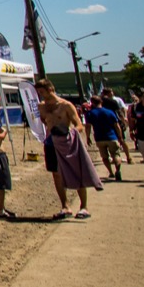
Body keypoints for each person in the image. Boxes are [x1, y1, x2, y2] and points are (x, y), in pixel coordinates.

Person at [35, 78, 99, 218]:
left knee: (75, 172)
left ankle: (84, 206)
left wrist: (71, 133)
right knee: (56, 174)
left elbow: (79, 124)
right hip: (51, 142)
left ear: (50, 89)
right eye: (39, 92)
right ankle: (65, 206)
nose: (41, 95)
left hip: (66, 141)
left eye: (42, 92)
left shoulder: (66, 105)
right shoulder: (42, 106)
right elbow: (45, 122)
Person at [85, 95, 126, 182]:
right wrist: (120, 137)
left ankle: (111, 172)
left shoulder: (90, 113)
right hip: (112, 136)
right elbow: (116, 125)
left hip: (99, 138)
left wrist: (88, 137)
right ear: (101, 102)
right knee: (116, 155)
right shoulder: (109, 112)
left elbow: (88, 126)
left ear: (92, 103)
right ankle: (118, 170)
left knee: (105, 157)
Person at [101, 87, 134, 164]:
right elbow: (119, 112)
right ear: (108, 93)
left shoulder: (100, 102)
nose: (112, 93)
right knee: (121, 140)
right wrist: (124, 120)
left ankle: (114, 158)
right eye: (111, 92)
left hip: (104, 124)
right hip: (115, 122)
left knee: (110, 141)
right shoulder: (113, 102)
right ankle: (128, 157)